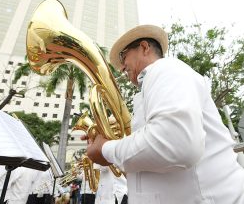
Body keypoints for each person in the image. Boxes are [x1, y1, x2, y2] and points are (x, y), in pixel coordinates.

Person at [84, 25, 244, 204]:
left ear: (144, 47)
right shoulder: (155, 82)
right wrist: (109, 150)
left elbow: (176, 142)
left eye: (123, 56)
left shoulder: (164, 69)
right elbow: (151, 164)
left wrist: (106, 149)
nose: (121, 68)